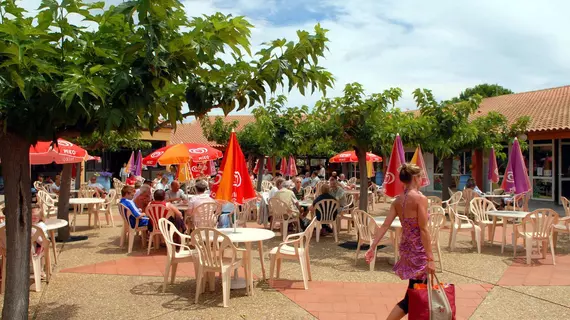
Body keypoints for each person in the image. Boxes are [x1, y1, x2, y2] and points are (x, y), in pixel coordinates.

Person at [365, 163, 435, 319]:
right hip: (419, 252)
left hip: (407, 250)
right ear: (415, 178)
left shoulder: (397, 201)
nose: (422, 179)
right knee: (415, 296)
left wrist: (372, 247)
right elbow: (423, 230)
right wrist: (430, 258)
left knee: (417, 293)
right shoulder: (420, 199)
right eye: (421, 176)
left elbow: (384, 225)